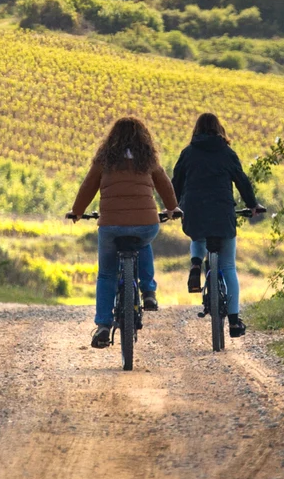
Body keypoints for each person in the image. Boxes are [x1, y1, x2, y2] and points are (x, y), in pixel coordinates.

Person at [66, 117, 178, 349]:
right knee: (143, 241)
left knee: (106, 274)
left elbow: (87, 187)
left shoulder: (104, 161)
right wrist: (171, 208)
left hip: (111, 227)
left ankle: (104, 326)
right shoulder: (148, 160)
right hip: (146, 224)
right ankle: (148, 291)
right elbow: (165, 185)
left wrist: (77, 212)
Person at [170, 112, 262, 338]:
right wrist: (252, 205)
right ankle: (233, 321)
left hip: (194, 212)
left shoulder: (188, 153)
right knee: (228, 266)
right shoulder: (227, 153)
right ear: (219, 129)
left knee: (197, 236)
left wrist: (172, 206)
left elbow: (176, 181)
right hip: (222, 214)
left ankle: (195, 265)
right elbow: (241, 180)